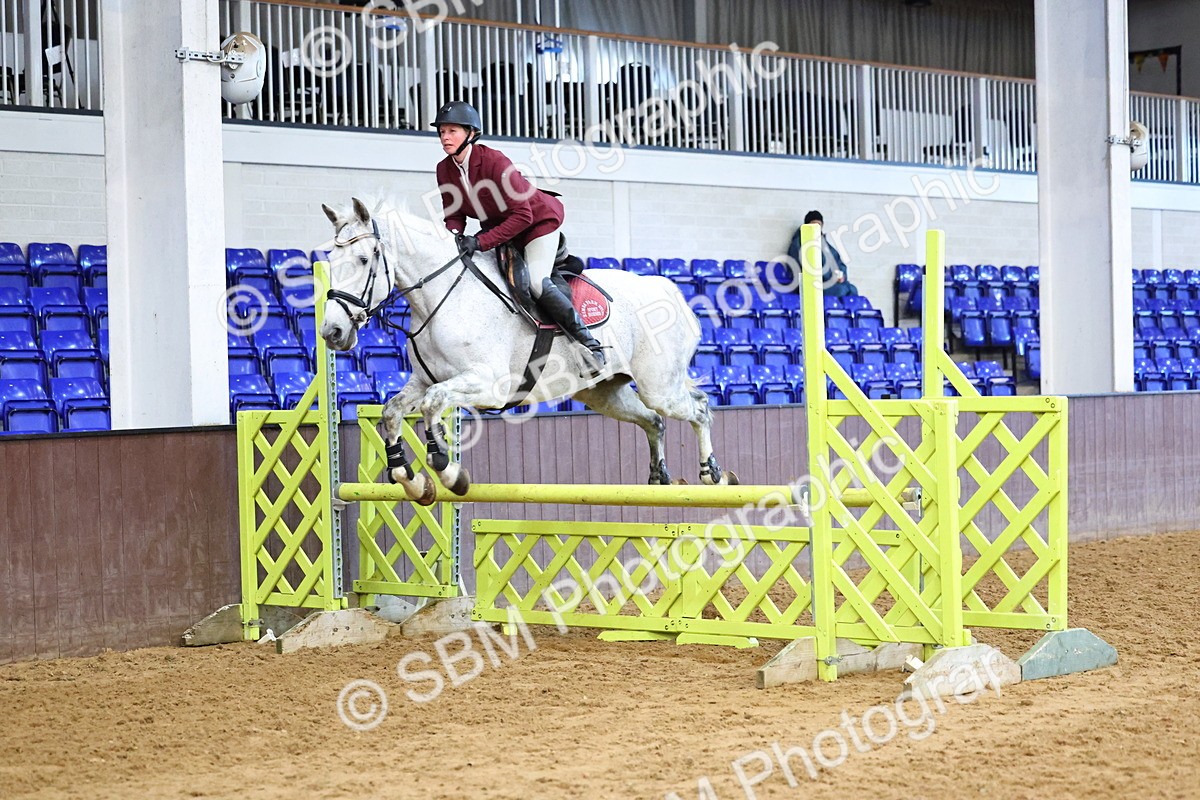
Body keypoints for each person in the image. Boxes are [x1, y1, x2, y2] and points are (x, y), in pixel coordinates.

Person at [432, 100, 606, 367]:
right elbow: (454, 213)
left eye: (452, 131)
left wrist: (479, 241)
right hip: (500, 228)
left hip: (537, 223)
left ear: (471, 133)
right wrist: (454, 237)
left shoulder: (494, 161)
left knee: (536, 282)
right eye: (442, 131)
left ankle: (588, 345)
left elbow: (523, 215)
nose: (445, 137)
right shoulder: (444, 169)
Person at [786, 210, 859, 297]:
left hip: (828, 284)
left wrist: (841, 275)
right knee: (842, 290)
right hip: (811, 285)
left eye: (818, 225)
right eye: (813, 224)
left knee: (852, 289)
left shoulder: (825, 245)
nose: (816, 227)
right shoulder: (798, 244)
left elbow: (839, 263)